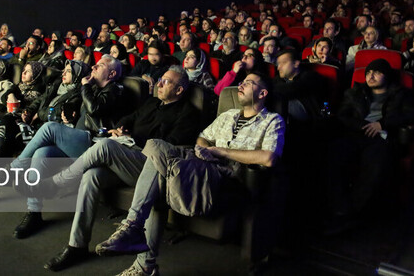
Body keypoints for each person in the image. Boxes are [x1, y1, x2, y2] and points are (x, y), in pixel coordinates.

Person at [93, 72, 284, 276]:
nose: (241, 85)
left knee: (157, 162)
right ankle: (138, 243)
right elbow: (202, 138)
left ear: (262, 93)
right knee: (156, 153)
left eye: (248, 83)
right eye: (242, 81)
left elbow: (269, 157)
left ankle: (138, 247)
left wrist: (220, 152)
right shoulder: (228, 115)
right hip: (203, 166)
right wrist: (204, 151)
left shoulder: (273, 120)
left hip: (229, 179)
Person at [21, 66, 200, 271]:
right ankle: (76, 245)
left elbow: (169, 147)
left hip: (151, 166)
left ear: (179, 90)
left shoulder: (188, 114)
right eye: (160, 79)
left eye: (166, 81)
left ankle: (57, 183)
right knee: (91, 175)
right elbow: (131, 118)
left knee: (105, 145)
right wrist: (121, 128)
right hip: (128, 157)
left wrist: (135, 138)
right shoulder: (152, 103)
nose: (159, 83)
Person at [9, 55, 126, 235]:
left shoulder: (115, 90)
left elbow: (95, 109)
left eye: (100, 65)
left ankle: (16, 166)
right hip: (82, 139)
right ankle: (34, 212)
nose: (94, 66)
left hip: (95, 145)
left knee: (50, 128)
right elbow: (86, 113)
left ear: (111, 74)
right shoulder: (93, 88)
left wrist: (85, 86)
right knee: (42, 153)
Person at [327, 59, 414, 228]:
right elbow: (342, 115)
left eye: (377, 72)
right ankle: (339, 208)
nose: (371, 76)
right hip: (356, 134)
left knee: (374, 164)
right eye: (368, 72)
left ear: (386, 76)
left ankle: (354, 212)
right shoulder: (354, 92)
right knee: (334, 154)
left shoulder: (400, 94)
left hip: (383, 137)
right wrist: (361, 125)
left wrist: (382, 124)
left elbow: (412, 114)